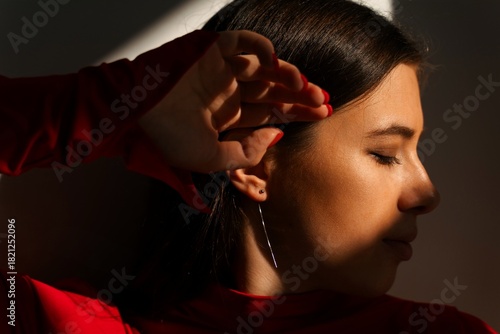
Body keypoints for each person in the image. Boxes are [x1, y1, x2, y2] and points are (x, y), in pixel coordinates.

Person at [0, 1, 496, 334]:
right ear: (254, 164)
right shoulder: (65, 322)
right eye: (386, 154)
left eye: (416, 153)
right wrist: (109, 105)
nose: (427, 193)